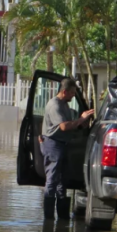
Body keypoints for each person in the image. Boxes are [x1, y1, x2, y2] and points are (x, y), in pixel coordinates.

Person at [40, 78, 95, 220]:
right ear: (64, 91)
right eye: (72, 93)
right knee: (52, 179)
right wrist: (81, 119)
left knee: (62, 181)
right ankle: (49, 219)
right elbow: (63, 126)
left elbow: (71, 124)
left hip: (62, 144)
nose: (73, 96)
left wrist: (81, 123)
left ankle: (63, 218)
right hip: (53, 144)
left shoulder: (65, 105)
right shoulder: (55, 105)